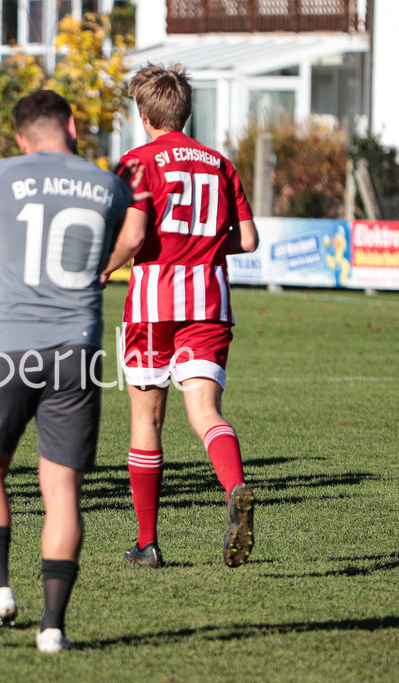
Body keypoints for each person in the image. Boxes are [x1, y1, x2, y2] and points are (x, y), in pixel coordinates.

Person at [0, 90, 130, 653]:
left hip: (13, 343)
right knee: (62, 490)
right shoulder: (108, 185)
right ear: (73, 125)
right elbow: (110, 250)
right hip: (77, 347)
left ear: (20, 137)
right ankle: (53, 626)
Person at [101, 63, 260, 569]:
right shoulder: (220, 163)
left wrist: (103, 269)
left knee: (146, 419)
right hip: (208, 303)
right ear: (186, 112)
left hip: (152, 305)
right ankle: (234, 488)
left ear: (144, 115)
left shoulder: (136, 161)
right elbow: (248, 239)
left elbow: (132, 236)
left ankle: (147, 543)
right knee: (205, 413)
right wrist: (204, 246)